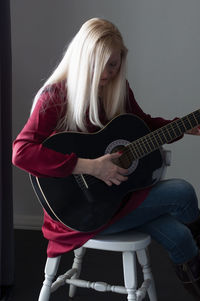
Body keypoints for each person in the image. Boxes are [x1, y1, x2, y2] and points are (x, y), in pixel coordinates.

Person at [12, 17, 200, 298]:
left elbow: (144, 126)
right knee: (182, 192)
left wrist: (184, 125)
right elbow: (22, 152)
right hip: (77, 215)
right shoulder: (55, 96)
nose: (108, 72)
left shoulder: (117, 89)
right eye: (101, 63)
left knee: (180, 236)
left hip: (116, 201)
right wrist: (90, 167)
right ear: (83, 57)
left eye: (114, 64)